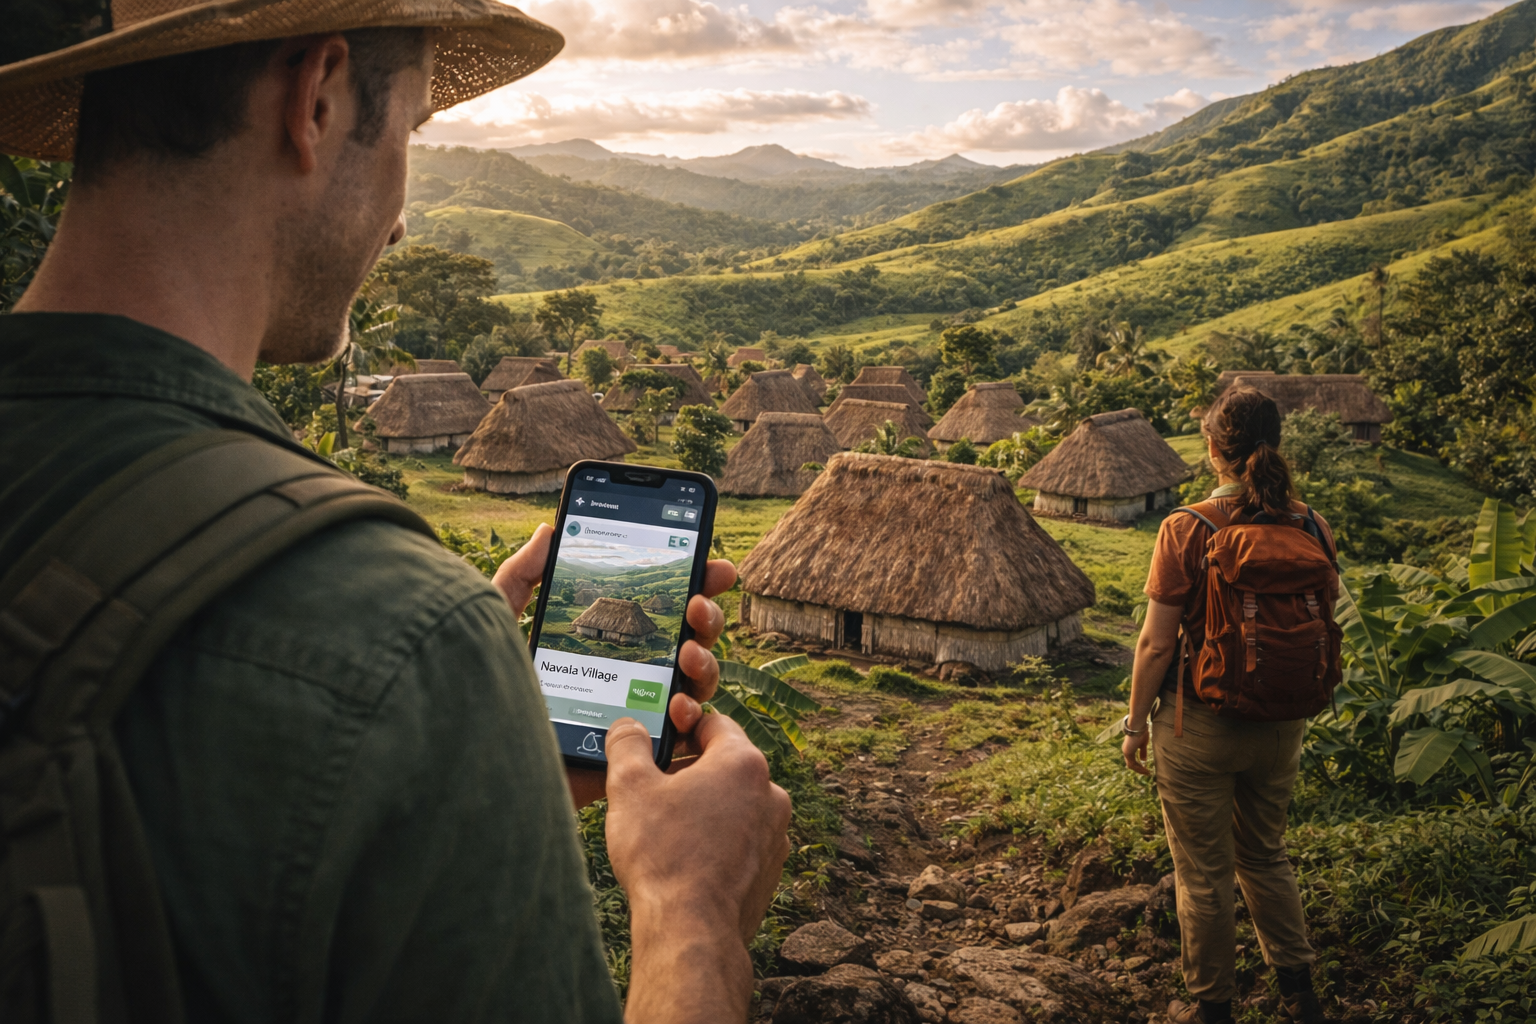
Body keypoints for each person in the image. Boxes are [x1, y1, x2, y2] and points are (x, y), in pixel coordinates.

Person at [0, 6, 789, 1023]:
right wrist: (694, 910)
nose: (405, 216)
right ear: (314, 98)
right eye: (412, 131)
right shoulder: (400, 641)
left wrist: (468, 768)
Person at [1119, 386, 1337, 1024]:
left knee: (1204, 876)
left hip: (1200, 725)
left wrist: (1135, 726)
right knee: (1266, 855)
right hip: (1281, 726)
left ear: (1214, 450)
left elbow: (1156, 645)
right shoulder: (1311, 524)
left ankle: (1214, 1008)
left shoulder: (1187, 527)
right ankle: (1300, 994)